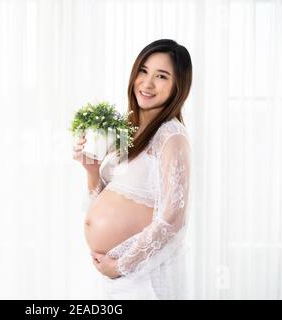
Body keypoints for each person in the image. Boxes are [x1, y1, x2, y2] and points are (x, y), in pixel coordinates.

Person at [72, 39, 192, 299]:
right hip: (114, 278)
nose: (147, 83)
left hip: (141, 278)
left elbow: (174, 218)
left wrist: (121, 265)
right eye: (143, 71)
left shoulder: (171, 136)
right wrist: (92, 170)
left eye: (161, 76)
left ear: (177, 87)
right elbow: (104, 199)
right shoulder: (129, 131)